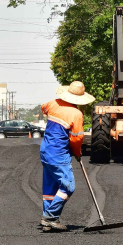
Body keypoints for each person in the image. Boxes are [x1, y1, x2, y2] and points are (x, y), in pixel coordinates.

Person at [39, 81, 93, 232]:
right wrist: (77, 152)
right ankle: (50, 217)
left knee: (50, 187)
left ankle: (46, 221)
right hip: (58, 154)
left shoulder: (52, 103)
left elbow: (43, 108)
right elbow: (76, 138)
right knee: (68, 186)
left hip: (45, 151)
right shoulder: (76, 114)